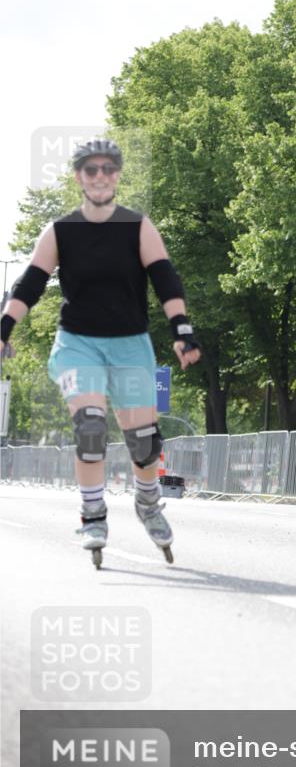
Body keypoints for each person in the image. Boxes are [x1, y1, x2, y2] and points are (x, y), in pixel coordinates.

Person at [0, 138, 201, 568]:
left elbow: (165, 279)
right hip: (79, 344)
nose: (100, 176)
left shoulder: (138, 226)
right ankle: (92, 514)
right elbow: (30, 283)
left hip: (130, 344)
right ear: (79, 176)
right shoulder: (61, 231)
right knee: (90, 428)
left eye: (108, 169)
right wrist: (4, 328)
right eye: (91, 169)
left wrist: (182, 330)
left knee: (144, 443)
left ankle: (148, 503)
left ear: (118, 175)